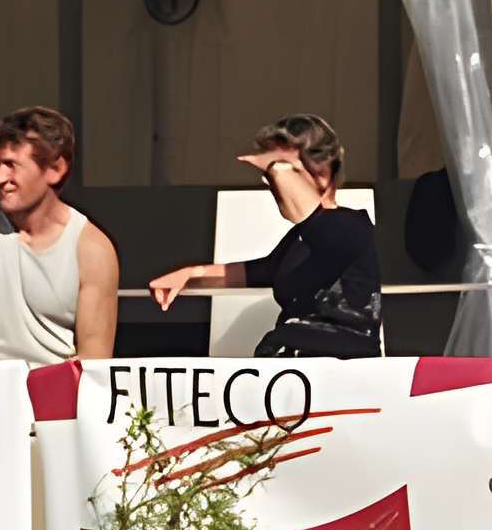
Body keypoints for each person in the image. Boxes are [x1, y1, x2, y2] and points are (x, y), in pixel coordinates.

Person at [146, 113, 383, 357]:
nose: (268, 179)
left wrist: (277, 169)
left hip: (338, 374)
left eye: (282, 168)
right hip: (285, 368)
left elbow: (312, 218)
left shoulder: (354, 228)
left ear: (322, 174)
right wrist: (190, 275)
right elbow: (256, 271)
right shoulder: (298, 239)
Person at [0, 105, 117, 364]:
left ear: (55, 169)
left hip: (59, 395)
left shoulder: (92, 249)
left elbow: (94, 365)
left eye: (12, 165)